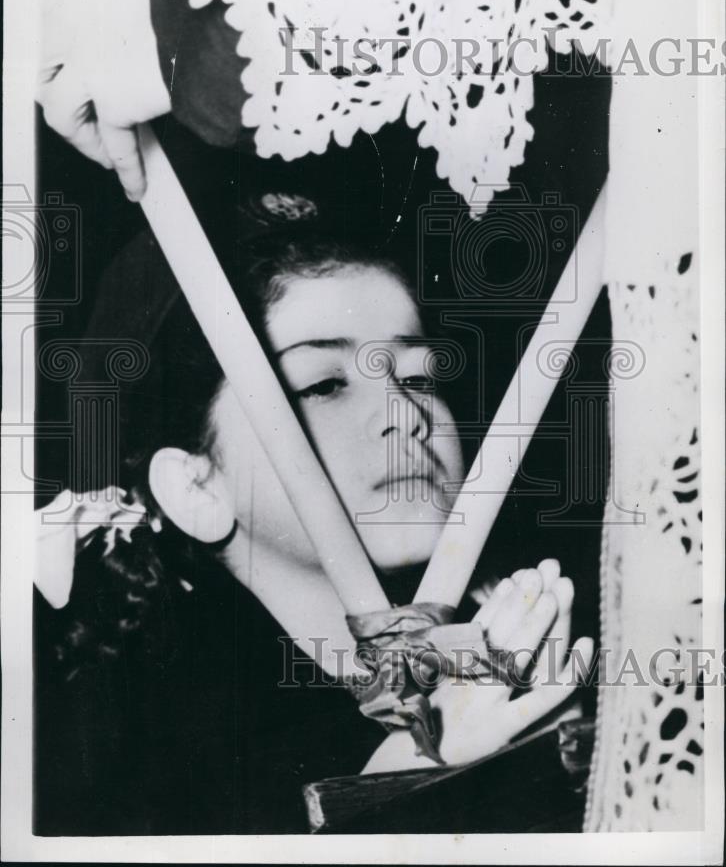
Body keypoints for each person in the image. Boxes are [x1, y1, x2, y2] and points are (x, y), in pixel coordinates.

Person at [34, 201, 593, 835]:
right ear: (196, 488)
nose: (404, 414)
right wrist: (397, 785)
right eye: (323, 385)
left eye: (419, 375)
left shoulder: (535, 636)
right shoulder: (124, 751)